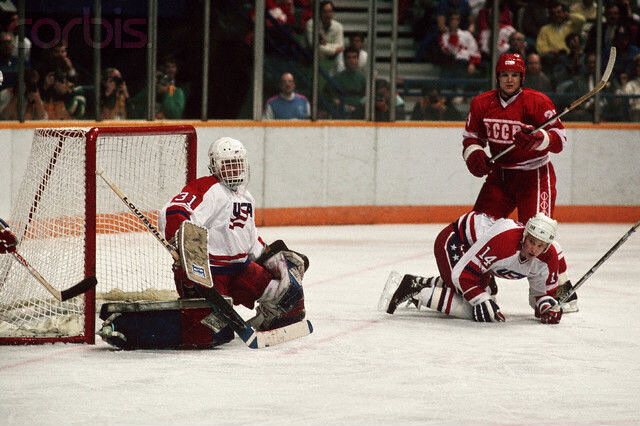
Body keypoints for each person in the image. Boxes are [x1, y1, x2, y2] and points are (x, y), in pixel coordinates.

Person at [461, 52, 578, 311]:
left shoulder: (537, 102)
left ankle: (558, 290)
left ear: (521, 77)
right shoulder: (481, 103)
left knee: (539, 231)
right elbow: (471, 137)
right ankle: (482, 280)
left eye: (514, 75)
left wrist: (538, 139)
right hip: (500, 175)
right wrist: (476, 155)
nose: (509, 79)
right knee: (478, 227)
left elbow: (560, 139)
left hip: (534, 175)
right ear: (498, 77)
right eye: (505, 75)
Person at [158, 137, 308, 337]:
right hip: (209, 276)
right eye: (228, 165)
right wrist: (183, 243)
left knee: (289, 299)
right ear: (215, 167)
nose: (234, 170)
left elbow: (250, 238)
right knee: (210, 333)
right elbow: (173, 212)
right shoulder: (208, 188)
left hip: (241, 269)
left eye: (238, 164)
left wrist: (267, 256)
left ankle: (268, 320)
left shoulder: (246, 197)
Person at [381, 211, 565, 324]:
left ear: (547, 247)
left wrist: (548, 308)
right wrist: (479, 300)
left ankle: (420, 282)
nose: (533, 249)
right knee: (477, 308)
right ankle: (417, 291)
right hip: (456, 241)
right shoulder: (505, 242)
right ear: (525, 235)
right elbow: (463, 275)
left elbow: (540, 297)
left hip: (478, 256)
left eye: (540, 246)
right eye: (531, 241)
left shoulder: (549, 259)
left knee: (486, 297)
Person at [536, 1, 585, 76]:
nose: (556, 15)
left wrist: (568, 15)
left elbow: (582, 20)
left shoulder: (572, 26)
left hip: (572, 56)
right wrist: (553, 51)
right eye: (553, 13)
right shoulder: (545, 29)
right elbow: (540, 49)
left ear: (564, 12)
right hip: (555, 59)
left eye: (559, 12)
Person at [325, 46, 366, 119]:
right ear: (344, 59)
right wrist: (344, 106)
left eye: (354, 57)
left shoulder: (363, 78)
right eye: (349, 58)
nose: (352, 60)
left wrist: (359, 108)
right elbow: (330, 96)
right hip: (341, 112)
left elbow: (366, 97)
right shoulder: (336, 78)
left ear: (358, 59)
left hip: (359, 112)